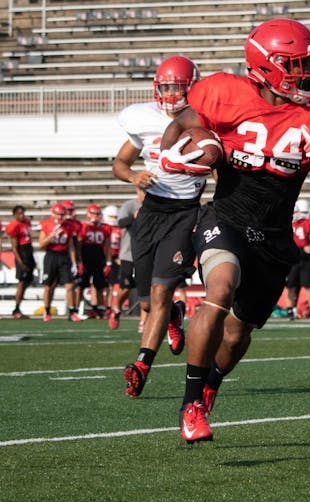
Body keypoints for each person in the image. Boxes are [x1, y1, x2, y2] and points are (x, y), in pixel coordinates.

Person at [157, 18, 310, 443]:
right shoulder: (226, 95)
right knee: (220, 288)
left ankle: (212, 383)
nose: (307, 74)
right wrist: (181, 151)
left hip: (273, 235)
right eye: (296, 65)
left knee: (236, 334)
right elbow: (181, 123)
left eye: (308, 64)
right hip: (227, 217)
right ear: (265, 67)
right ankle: (190, 403)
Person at [112, 55, 205, 398]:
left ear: (192, 88)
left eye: (177, 87)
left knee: (162, 291)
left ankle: (141, 365)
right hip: (150, 212)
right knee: (150, 303)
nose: (170, 94)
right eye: (165, 87)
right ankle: (175, 315)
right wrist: (134, 175)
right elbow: (120, 163)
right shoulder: (143, 119)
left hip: (184, 213)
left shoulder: (204, 119)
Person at [109, 188, 146, 330]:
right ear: (138, 190)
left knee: (146, 289)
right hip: (129, 253)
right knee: (125, 287)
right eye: (143, 190)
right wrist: (134, 217)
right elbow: (120, 223)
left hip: (148, 253)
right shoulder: (129, 205)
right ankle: (116, 308)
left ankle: (143, 322)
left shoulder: (155, 206)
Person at [39, 203, 80, 321]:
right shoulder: (46, 224)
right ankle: (47, 311)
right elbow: (41, 244)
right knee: (48, 285)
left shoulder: (69, 225)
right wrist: (51, 236)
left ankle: (72, 312)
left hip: (63, 256)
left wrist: (74, 262)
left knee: (69, 285)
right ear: (53, 214)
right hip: (51, 255)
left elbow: (71, 245)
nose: (61, 217)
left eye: (62, 214)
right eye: (58, 214)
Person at [286, 199, 310, 320]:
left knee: (309, 285)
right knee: (290, 285)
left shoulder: (308, 223)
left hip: (305, 258)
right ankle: (290, 310)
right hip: (291, 257)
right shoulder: (286, 224)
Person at [77, 204, 113, 319]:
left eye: (98, 214)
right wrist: (79, 261)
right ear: (88, 214)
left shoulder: (105, 228)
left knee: (100, 285)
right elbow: (78, 246)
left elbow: (107, 245)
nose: (96, 216)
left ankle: (99, 309)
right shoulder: (82, 227)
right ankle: (77, 309)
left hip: (98, 257)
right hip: (86, 256)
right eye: (93, 213)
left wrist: (108, 262)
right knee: (81, 285)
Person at [5, 205, 36, 319]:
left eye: (23, 213)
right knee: (22, 283)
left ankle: (18, 308)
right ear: (15, 215)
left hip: (28, 252)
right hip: (21, 253)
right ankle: (16, 309)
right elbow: (14, 247)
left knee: (27, 282)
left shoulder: (27, 222)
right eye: (19, 213)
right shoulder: (14, 225)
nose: (22, 215)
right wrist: (21, 263)